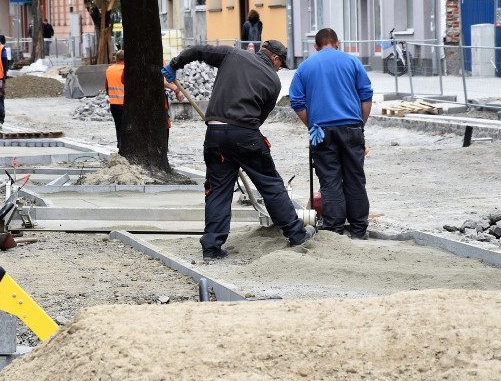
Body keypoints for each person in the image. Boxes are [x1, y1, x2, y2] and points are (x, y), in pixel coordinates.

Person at [162, 40, 315, 261]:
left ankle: (212, 248)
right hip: (246, 135)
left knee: (217, 190)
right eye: (280, 64)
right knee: (271, 185)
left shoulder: (231, 54)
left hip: (214, 134)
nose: (279, 69)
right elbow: (259, 118)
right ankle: (297, 235)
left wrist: (175, 65)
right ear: (274, 58)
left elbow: (197, 50)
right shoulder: (273, 81)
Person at [288, 27, 374, 240]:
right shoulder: (352, 62)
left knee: (330, 181)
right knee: (355, 179)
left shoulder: (305, 67)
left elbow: (296, 101)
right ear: (338, 43)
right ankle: (358, 230)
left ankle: (334, 230)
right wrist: (359, 125)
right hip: (352, 128)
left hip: (322, 132)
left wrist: (312, 125)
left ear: (316, 46)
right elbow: (366, 95)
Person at [105, 49, 126, 149]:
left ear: (116, 58)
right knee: (127, 127)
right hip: (125, 104)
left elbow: (107, 87)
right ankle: (125, 148)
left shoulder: (109, 69)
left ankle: (120, 145)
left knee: (118, 127)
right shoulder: (126, 69)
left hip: (114, 104)